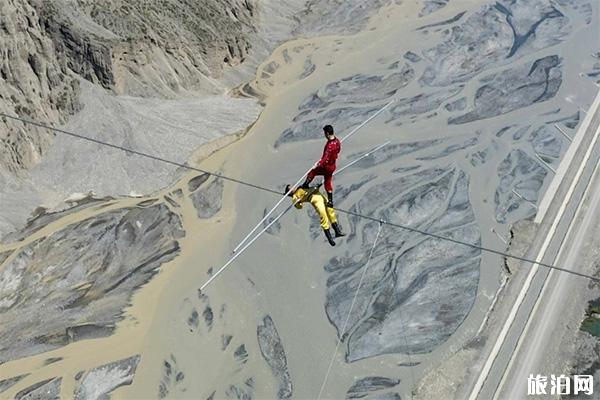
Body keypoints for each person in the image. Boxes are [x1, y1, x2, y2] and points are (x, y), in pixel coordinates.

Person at [302, 125, 341, 208]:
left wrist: (317, 164)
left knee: (313, 172)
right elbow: (338, 150)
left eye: (324, 133)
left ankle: (305, 185)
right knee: (327, 182)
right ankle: (330, 201)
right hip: (332, 166)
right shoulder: (337, 141)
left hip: (326, 167)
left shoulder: (329, 146)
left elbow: (325, 158)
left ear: (327, 133)